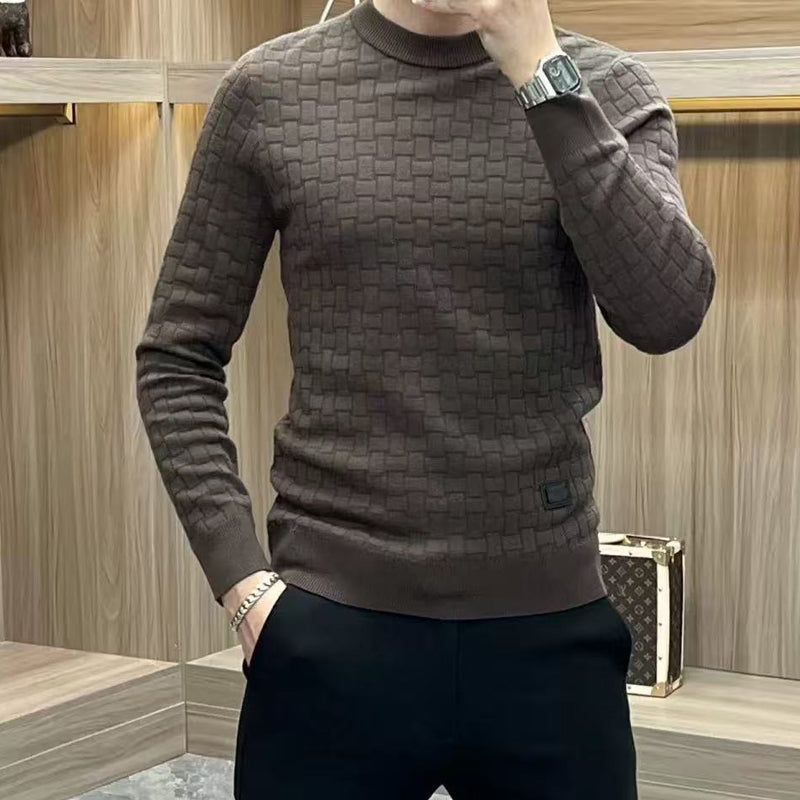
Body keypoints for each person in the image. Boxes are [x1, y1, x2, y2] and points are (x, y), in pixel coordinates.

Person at [135, 0, 716, 797]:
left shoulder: (605, 86)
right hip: (326, 627)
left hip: (549, 636)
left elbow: (666, 314)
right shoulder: (271, 89)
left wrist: (539, 72)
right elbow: (177, 353)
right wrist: (244, 586)